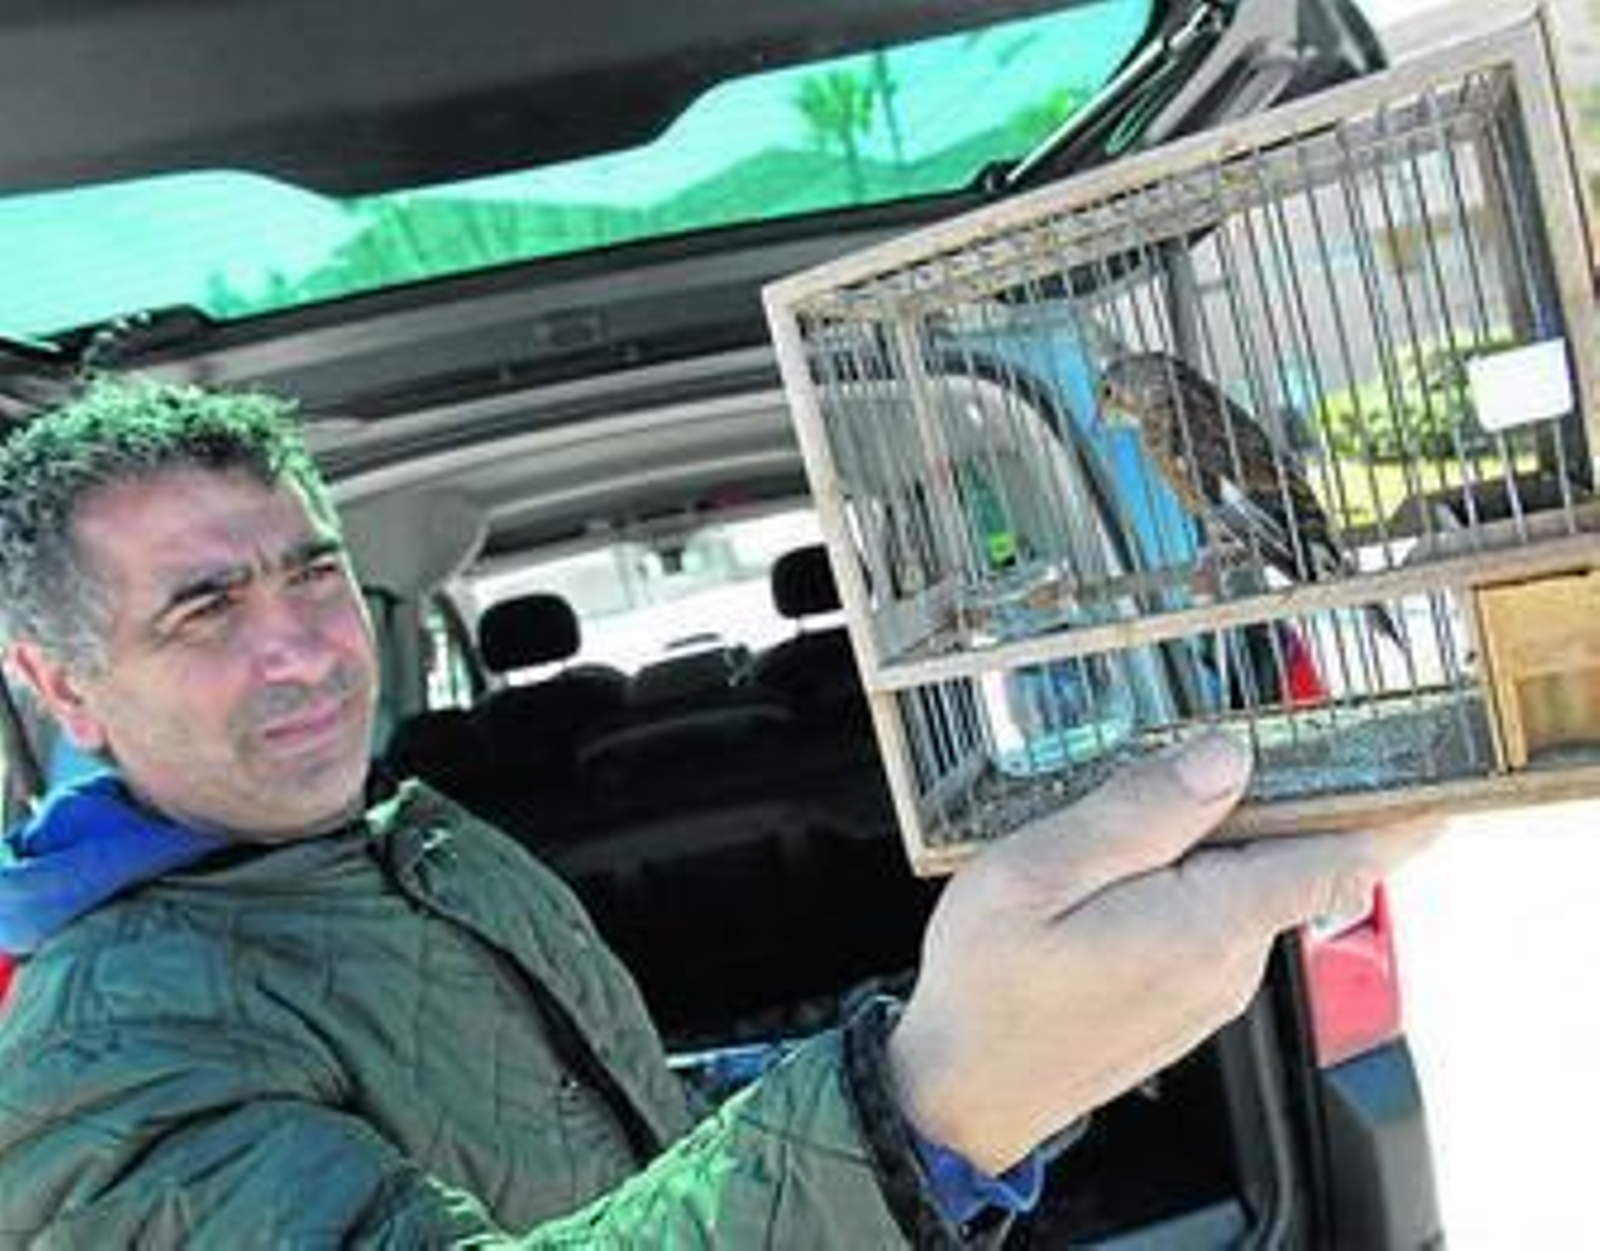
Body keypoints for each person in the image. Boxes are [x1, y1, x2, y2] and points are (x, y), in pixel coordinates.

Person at [0, 377, 1432, 1245]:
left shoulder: (423, 849)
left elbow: (631, 1127)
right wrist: (929, 1105)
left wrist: (956, 1042)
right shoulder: (95, 1056)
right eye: (203, 608)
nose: (305, 648)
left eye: (314, 574)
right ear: (60, 684)